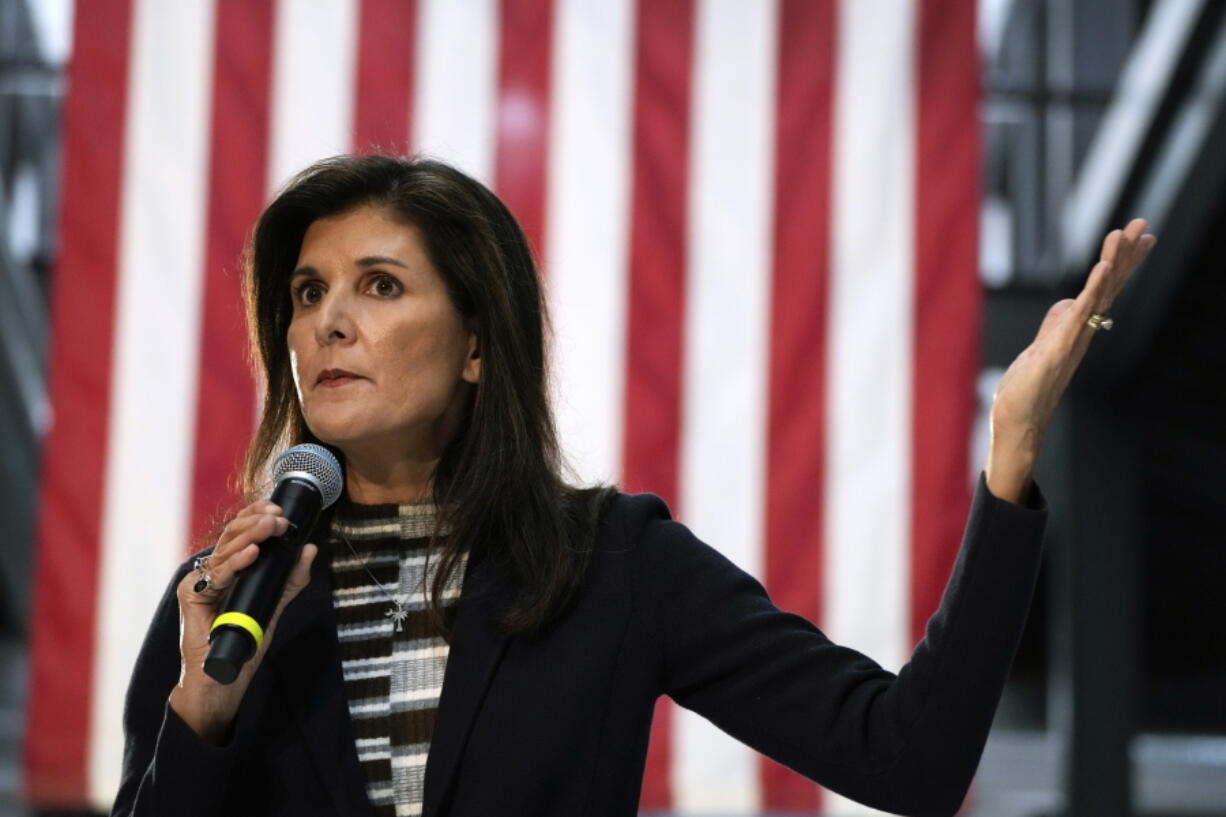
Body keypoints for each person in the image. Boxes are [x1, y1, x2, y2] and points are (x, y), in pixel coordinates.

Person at [110, 154, 1155, 817]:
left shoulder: (610, 564)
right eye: (306, 293)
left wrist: (1008, 455)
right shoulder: (223, 599)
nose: (327, 321)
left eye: (378, 285)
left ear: (477, 343)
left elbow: (909, 760)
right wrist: (200, 709)